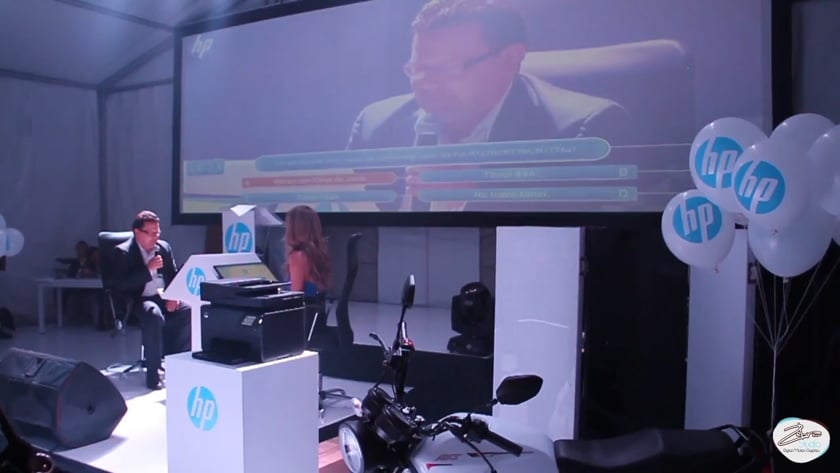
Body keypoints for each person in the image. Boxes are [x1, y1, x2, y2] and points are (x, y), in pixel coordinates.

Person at [346, 0, 634, 211]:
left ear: (511, 58)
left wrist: (478, 194)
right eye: (416, 69)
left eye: (445, 68)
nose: (424, 84)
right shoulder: (375, 123)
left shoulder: (585, 130)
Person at [111, 210, 191, 390]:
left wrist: (174, 295)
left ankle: (176, 362)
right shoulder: (123, 252)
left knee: (188, 311)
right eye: (152, 233)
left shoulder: (164, 248)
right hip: (139, 299)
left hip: (162, 295)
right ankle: (153, 375)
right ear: (138, 232)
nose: (156, 237)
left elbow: (173, 276)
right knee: (153, 315)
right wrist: (147, 270)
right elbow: (121, 285)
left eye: (158, 232)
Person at [284, 205, 331, 297]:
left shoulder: (297, 256)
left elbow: (295, 293)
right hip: (315, 304)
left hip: (303, 305)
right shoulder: (317, 252)